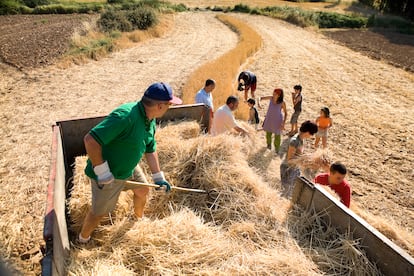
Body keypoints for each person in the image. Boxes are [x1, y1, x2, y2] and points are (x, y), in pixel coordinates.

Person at [78, 82, 182, 244]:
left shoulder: (150, 118)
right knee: (99, 213)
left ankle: (137, 220)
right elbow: (90, 140)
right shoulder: (125, 116)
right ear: (160, 106)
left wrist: (158, 176)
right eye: (169, 104)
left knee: (142, 190)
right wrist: (102, 171)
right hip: (108, 173)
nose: (169, 107)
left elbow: (150, 146)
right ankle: (83, 239)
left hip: (129, 167)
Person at [280, 120, 318, 197]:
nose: (312, 136)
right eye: (312, 134)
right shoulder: (294, 141)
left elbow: (298, 155)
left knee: (292, 192)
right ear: (307, 132)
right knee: (286, 192)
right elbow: (289, 160)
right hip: (288, 169)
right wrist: (302, 160)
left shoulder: (301, 140)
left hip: (294, 169)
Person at [260, 88, 287, 153]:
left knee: (277, 136)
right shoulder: (271, 98)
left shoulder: (282, 103)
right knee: (268, 133)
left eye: (275, 94)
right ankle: (269, 145)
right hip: (269, 119)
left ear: (279, 95)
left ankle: (277, 149)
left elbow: (286, 113)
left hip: (278, 121)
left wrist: (283, 123)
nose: (273, 95)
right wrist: (258, 103)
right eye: (273, 93)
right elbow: (260, 98)